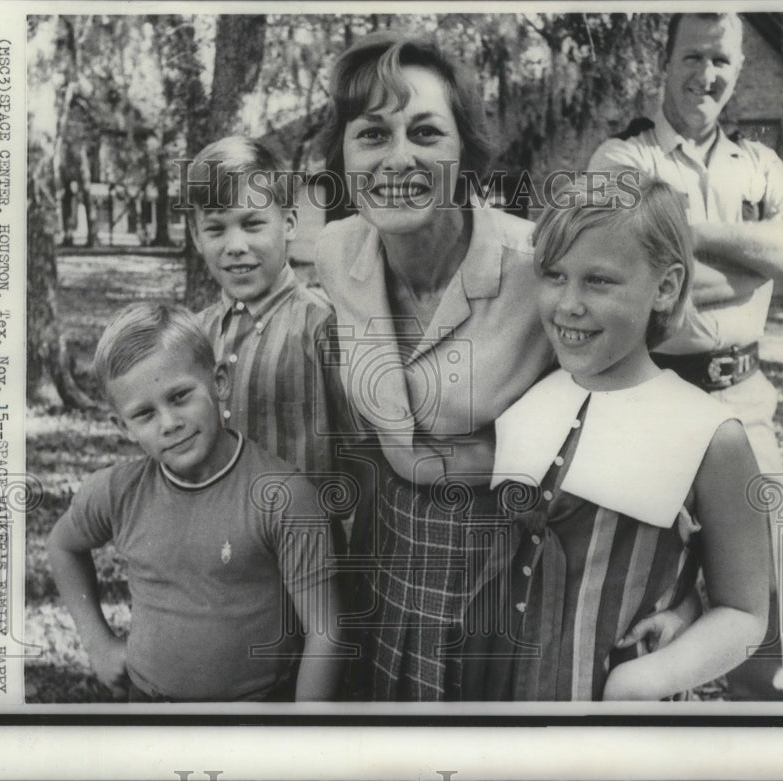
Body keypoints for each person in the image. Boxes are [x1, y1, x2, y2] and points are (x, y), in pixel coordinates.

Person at [587, 12, 783, 700]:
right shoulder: (622, 160)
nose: (707, 75)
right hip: (650, 406)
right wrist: (756, 260)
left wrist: (684, 235)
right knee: (640, 611)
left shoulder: (761, 163)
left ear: (739, 71)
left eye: (722, 61)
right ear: (663, 65)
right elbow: (628, 282)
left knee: (761, 609)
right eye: (693, 57)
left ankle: (762, 734)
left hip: (744, 407)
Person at [314, 31, 556, 700]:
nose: (398, 159)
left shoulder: (537, 264)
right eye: (372, 135)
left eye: (426, 133)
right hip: (392, 542)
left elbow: (636, 370)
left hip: (507, 558)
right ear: (343, 155)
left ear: (466, 154)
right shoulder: (337, 251)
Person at [462, 178, 770, 700]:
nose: (568, 304)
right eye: (554, 276)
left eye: (599, 281)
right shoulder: (522, 395)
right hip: (491, 691)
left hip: (612, 719)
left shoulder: (711, 436)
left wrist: (646, 679)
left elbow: (744, 612)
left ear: (666, 288)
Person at [47, 302, 343, 702]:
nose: (169, 423)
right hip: (148, 707)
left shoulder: (282, 496)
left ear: (219, 382)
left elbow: (326, 632)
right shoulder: (116, 492)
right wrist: (97, 641)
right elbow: (63, 546)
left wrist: (300, 741)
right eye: (144, 414)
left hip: (254, 714)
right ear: (124, 426)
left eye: (180, 396)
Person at [187, 136, 353, 551]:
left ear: (290, 223)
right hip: (214, 562)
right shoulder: (192, 337)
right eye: (215, 229)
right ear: (196, 236)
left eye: (253, 223)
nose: (235, 245)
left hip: (305, 570)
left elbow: (362, 460)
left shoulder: (324, 328)